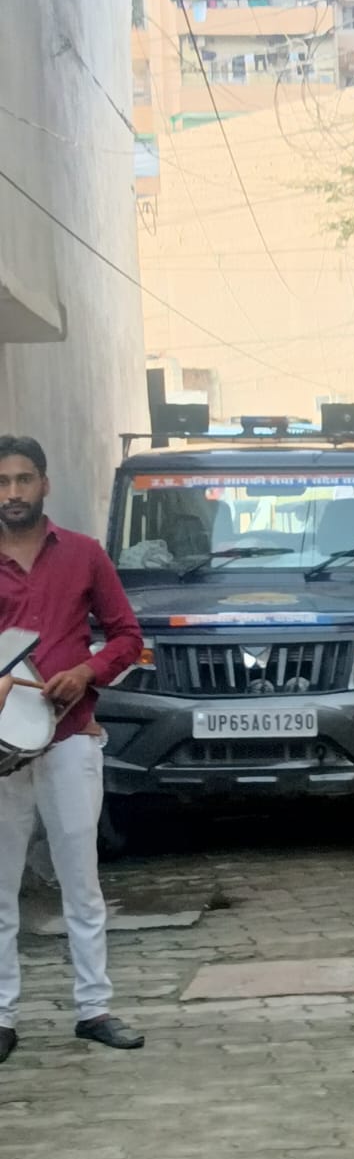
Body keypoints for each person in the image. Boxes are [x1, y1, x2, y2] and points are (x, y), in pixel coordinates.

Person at [0, 436, 145, 1065]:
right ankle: (1, 1016)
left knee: (80, 882)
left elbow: (127, 635)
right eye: (2, 482)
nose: (12, 493)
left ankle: (94, 1009)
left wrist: (86, 672)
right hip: (1, 746)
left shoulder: (84, 554)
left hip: (69, 736)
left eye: (23, 479)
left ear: (44, 484)